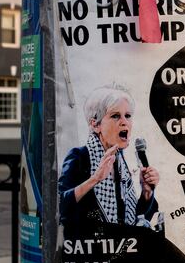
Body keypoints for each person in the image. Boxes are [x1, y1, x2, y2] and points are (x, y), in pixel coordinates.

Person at [58, 85, 160, 229]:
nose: (124, 121)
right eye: (115, 116)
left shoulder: (120, 162)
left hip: (122, 247)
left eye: (128, 116)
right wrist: (96, 178)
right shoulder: (79, 157)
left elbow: (134, 222)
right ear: (95, 124)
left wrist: (147, 192)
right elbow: (59, 207)